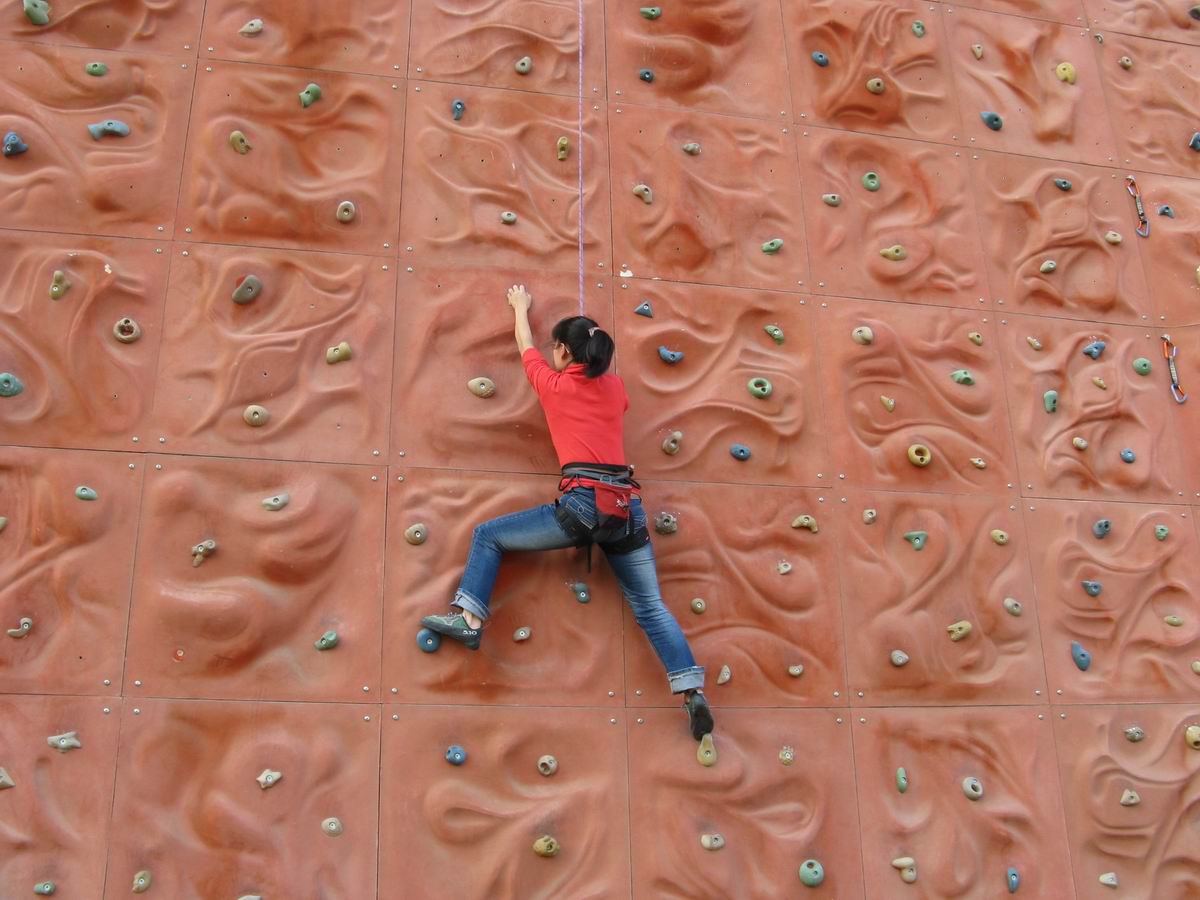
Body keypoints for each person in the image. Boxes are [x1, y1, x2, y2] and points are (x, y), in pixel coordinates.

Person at [421, 284, 714, 741]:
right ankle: (691, 689)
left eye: (556, 347)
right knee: (651, 606)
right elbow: (605, 394)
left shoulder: (554, 385)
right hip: (626, 509)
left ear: (561, 350)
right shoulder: (615, 388)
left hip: (582, 504)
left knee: (489, 535)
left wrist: (520, 308)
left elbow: (525, 346)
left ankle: (469, 619)